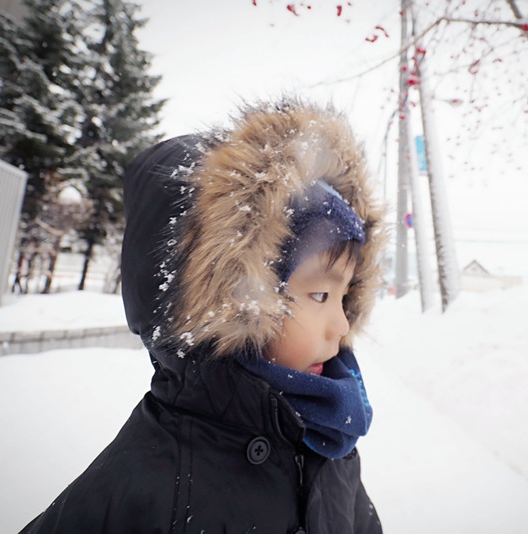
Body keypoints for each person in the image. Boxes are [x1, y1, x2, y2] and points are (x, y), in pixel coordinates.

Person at [19, 99, 385, 533]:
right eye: (320, 294)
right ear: (229, 303)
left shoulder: (331, 442)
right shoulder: (145, 488)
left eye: (345, 297)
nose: (342, 327)